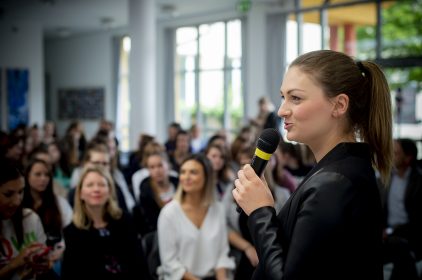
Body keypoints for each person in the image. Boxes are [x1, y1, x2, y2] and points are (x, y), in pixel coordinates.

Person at [233, 50, 393, 279]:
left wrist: (260, 212)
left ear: (339, 105)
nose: (281, 111)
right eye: (283, 97)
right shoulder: (340, 170)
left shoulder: (334, 182)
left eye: (295, 98)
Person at [157, 154, 235, 280]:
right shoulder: (169, 213)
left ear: (207, 177)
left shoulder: (218, 209)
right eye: (183, 172)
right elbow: (170, 263)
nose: (186, 177)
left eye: (193, 172)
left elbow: (222, 253)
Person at [61, 165, 142, 279]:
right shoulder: (72, 232)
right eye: (90, 185)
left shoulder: (125, 221)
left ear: (109, 191)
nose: (96, 189)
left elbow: (139, 266)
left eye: (102, 184)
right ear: (80, 193)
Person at [379, 138, 422, 280]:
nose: (390, 156)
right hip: (386, 234)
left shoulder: (418, 182)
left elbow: (417, 221)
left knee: (402, 254)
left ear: (408, 158)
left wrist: (390, 231)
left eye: (395, 153)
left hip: (410, 235)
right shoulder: (385, 177)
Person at [22, 159, 73, 277]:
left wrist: (62, 250)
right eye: (38, 174)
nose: (43, 178)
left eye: (46, 175)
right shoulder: (19, 204)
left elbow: (70, 230)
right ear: (27, 176)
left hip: (55, 257)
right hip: (26, 259)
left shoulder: (58, 202)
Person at [0, 160, 50, 280]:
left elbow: (46, 263)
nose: (17, 201)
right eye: (8, 194)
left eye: (21, 192)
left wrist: (42, 263)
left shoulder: (30, 218)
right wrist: (14, 265)